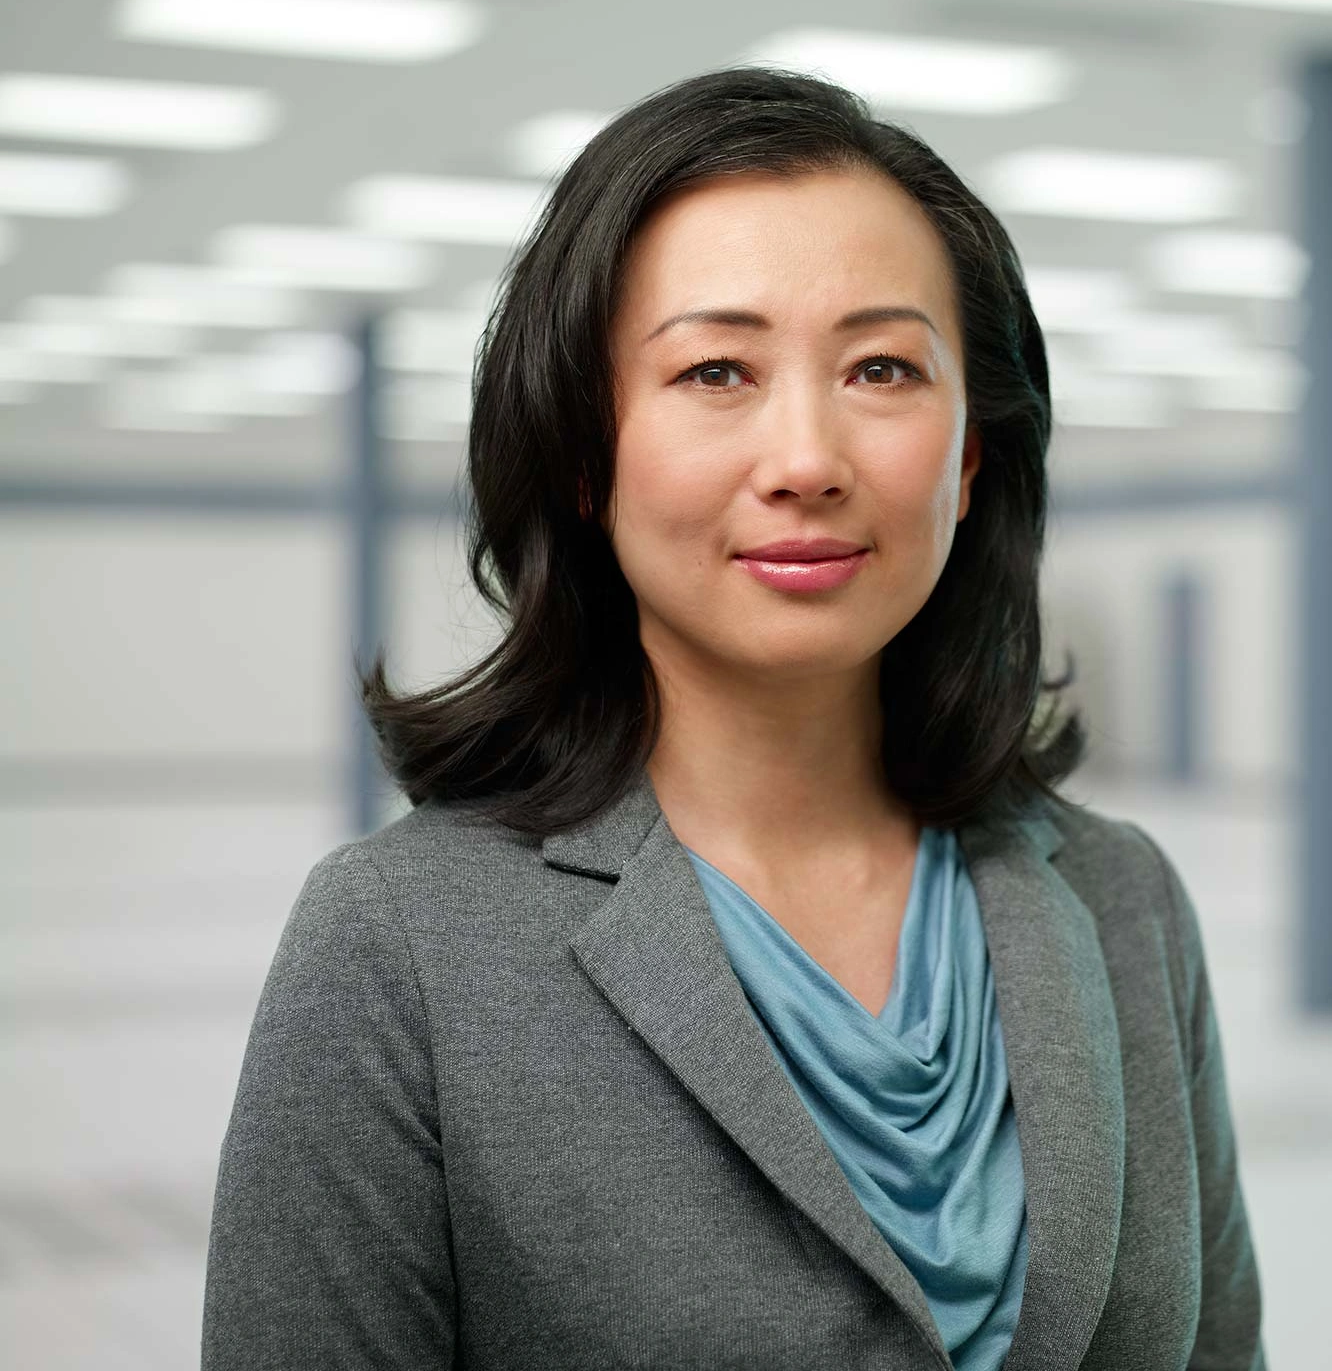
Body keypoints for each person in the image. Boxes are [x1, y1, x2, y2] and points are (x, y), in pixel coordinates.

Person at [200, 67, 1264, 1370]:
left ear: (973, 453)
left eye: (882, 367)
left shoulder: (1123, 900)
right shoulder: (398, 946)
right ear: (586, 451)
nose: (808, 458)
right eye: (716, 370)